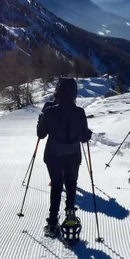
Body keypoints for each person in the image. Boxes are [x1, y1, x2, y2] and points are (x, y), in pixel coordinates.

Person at [37, 77, 92, 238]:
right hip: (73, 155)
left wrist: (41, 120)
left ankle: (53, 221)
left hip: (53, 155)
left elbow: (40, 134)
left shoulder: (50, 111)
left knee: (56, 185)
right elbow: (84, 138)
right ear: (74, 93)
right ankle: (70, 216)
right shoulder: (79, 112)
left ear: (58, 92)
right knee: (71, 185)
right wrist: (87, 133)